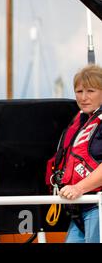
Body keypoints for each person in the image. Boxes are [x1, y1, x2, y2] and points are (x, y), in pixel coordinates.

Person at [47, 64, 102, 243]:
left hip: (97, 205)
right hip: (79, 209)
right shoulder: (80, 122)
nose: (83, 97)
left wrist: (79, 188)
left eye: (91, 91)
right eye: (79, 91)